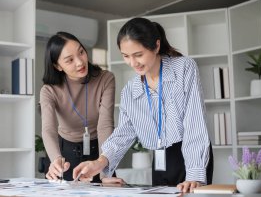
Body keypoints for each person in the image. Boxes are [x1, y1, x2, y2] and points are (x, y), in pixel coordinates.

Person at [73, 17, 214, 192]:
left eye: (138, 55)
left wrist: (194, 174)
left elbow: (194, 122)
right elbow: (123, 133)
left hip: (191, 153)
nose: (133, 63)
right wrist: (99, 163)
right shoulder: (130, 90)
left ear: (156, 46)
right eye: (126, 56)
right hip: (160, 157)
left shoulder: (184, 68)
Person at [40, 31, 121, 183]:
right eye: (69, 60)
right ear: (58, 66)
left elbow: (105, 125)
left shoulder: (105, 79)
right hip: (65, 153)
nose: (80, 62)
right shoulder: (49, 90)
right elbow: (48, 129)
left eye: (81, 52)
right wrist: (56, 159)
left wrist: (105, 174)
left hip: (99, 151)